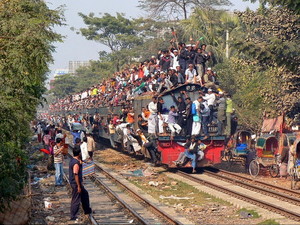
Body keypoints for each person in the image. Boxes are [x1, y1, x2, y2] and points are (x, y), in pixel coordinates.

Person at [69, 147, 92, 221]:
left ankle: (87, 210)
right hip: (76, 183)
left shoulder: (73, 160)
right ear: (79, 154)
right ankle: (73, 216)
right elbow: (76, 174)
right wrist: (79, 186)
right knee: (76, 199)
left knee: (85, 194)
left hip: (76, 182)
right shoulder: (75, 163)